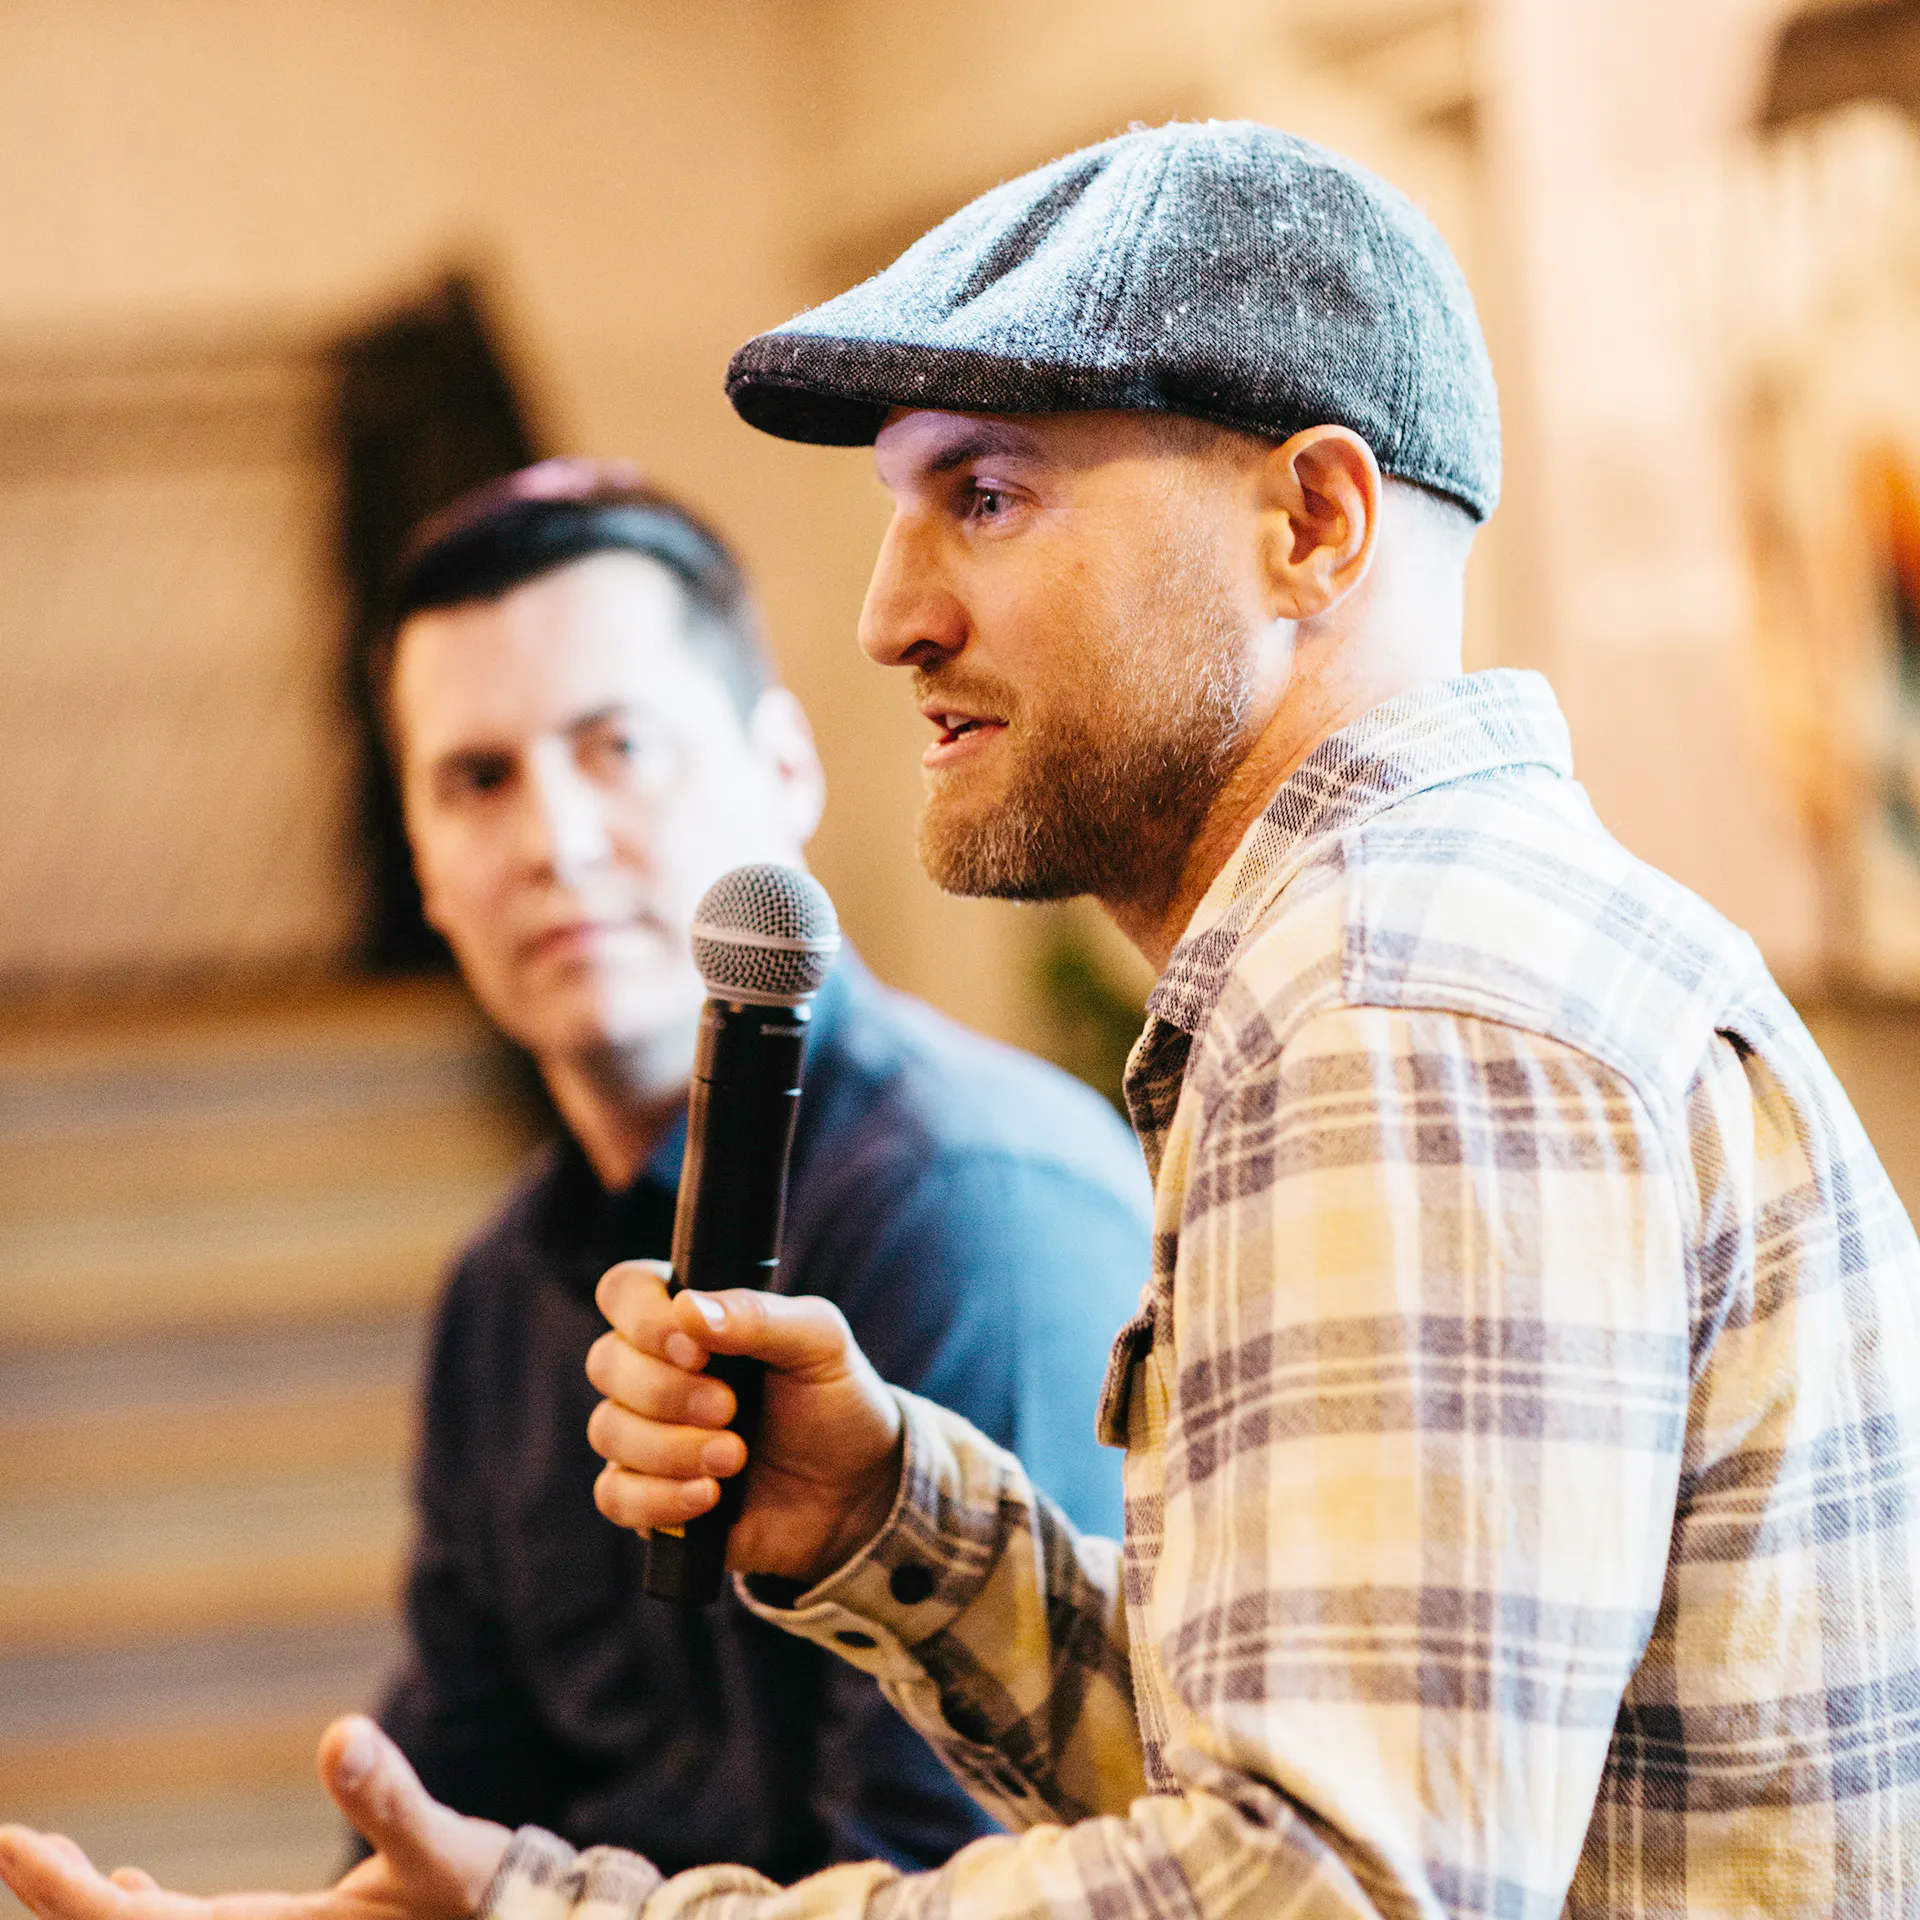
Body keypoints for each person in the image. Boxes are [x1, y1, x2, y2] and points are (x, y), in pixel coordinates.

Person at [7, 117, 1920, 1920]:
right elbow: (1278, 1801)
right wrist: (892, 1521)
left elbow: (1319, 1891)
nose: (889, 613)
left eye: (987, 496)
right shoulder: (1404, 965)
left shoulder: (1399, 1005)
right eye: (902, 506)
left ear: (1313, 525)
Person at [325, 463, 1163, 1877]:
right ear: (419, 859)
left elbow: (961, 1867)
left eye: (618, 750)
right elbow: (451, 1795)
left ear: (784, 769)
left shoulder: (970, 1202)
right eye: (478, 780)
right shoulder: (502, 1288)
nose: (555, 842)